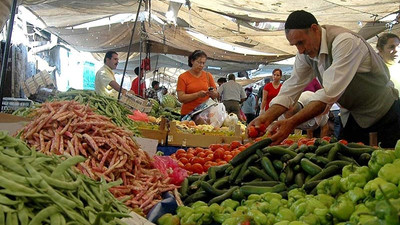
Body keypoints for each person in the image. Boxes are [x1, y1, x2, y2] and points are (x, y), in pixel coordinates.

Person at [250, 10, 400, 147]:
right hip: (353, 117)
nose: (300, 50)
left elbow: (326, 96)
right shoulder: (306, 53)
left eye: (301, 42)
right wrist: (266, 117)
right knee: (351, 164)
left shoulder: (345, 42)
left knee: (387, 164)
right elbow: (291, 88)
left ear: (315, 29)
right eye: (295, 45)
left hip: (384, 114)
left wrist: (291, 122)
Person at [176, 50, 218, 116]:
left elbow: (216, 95)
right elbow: (181, 98)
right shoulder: (183, 77)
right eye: (199, 62)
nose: (201, 65)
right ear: (192, 61)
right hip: (188, 114)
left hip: (205, 115)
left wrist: (213, 93)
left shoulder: (208, 76)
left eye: (203, 63)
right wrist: (197, 95)